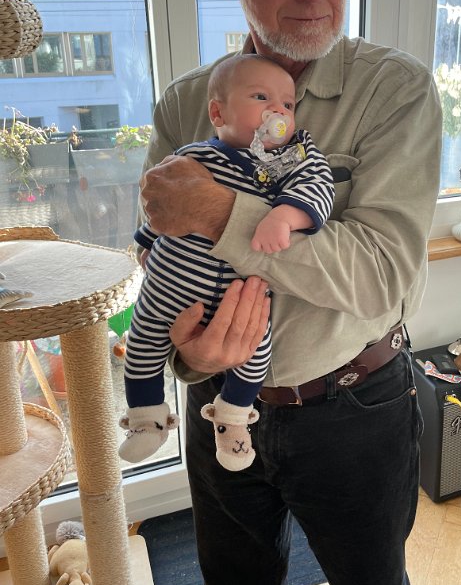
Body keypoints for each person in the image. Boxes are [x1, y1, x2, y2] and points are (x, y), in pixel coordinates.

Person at [138, 0, 442, 585]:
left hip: (354, 407)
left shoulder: (395, 92)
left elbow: (381, 275)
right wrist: (187, 354)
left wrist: (220, 213)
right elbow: (162, 259)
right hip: (220, 405)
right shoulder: (185, 105)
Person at [120, 54, 334, 470]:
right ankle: (146, 419)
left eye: (288, 104)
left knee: (255, 356)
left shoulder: (290, 160)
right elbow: (161, 203)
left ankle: (233, 422)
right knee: (142, 342)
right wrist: (145, 243)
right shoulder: (193, 156)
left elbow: (317, 188)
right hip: (168, 286)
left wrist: (285, 217)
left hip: (240, 298)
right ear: (218, 113)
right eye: (261, 98)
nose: (278, 111)